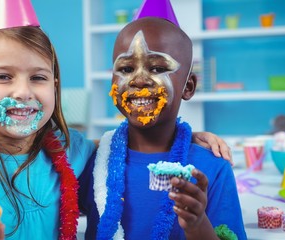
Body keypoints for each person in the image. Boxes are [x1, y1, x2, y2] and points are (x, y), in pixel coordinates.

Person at [78, 0, 247, 239]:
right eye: (126, 69)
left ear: (188, 87)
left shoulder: (212, 167)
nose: (138, 80)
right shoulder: (92, 162)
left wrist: (197, 224)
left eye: (157, 68)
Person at [0, 0, 96, 239]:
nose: (23, 91)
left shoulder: (75, 150)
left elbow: (128, 152)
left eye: (38, 77)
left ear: (54, 89)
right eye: (3, 76)